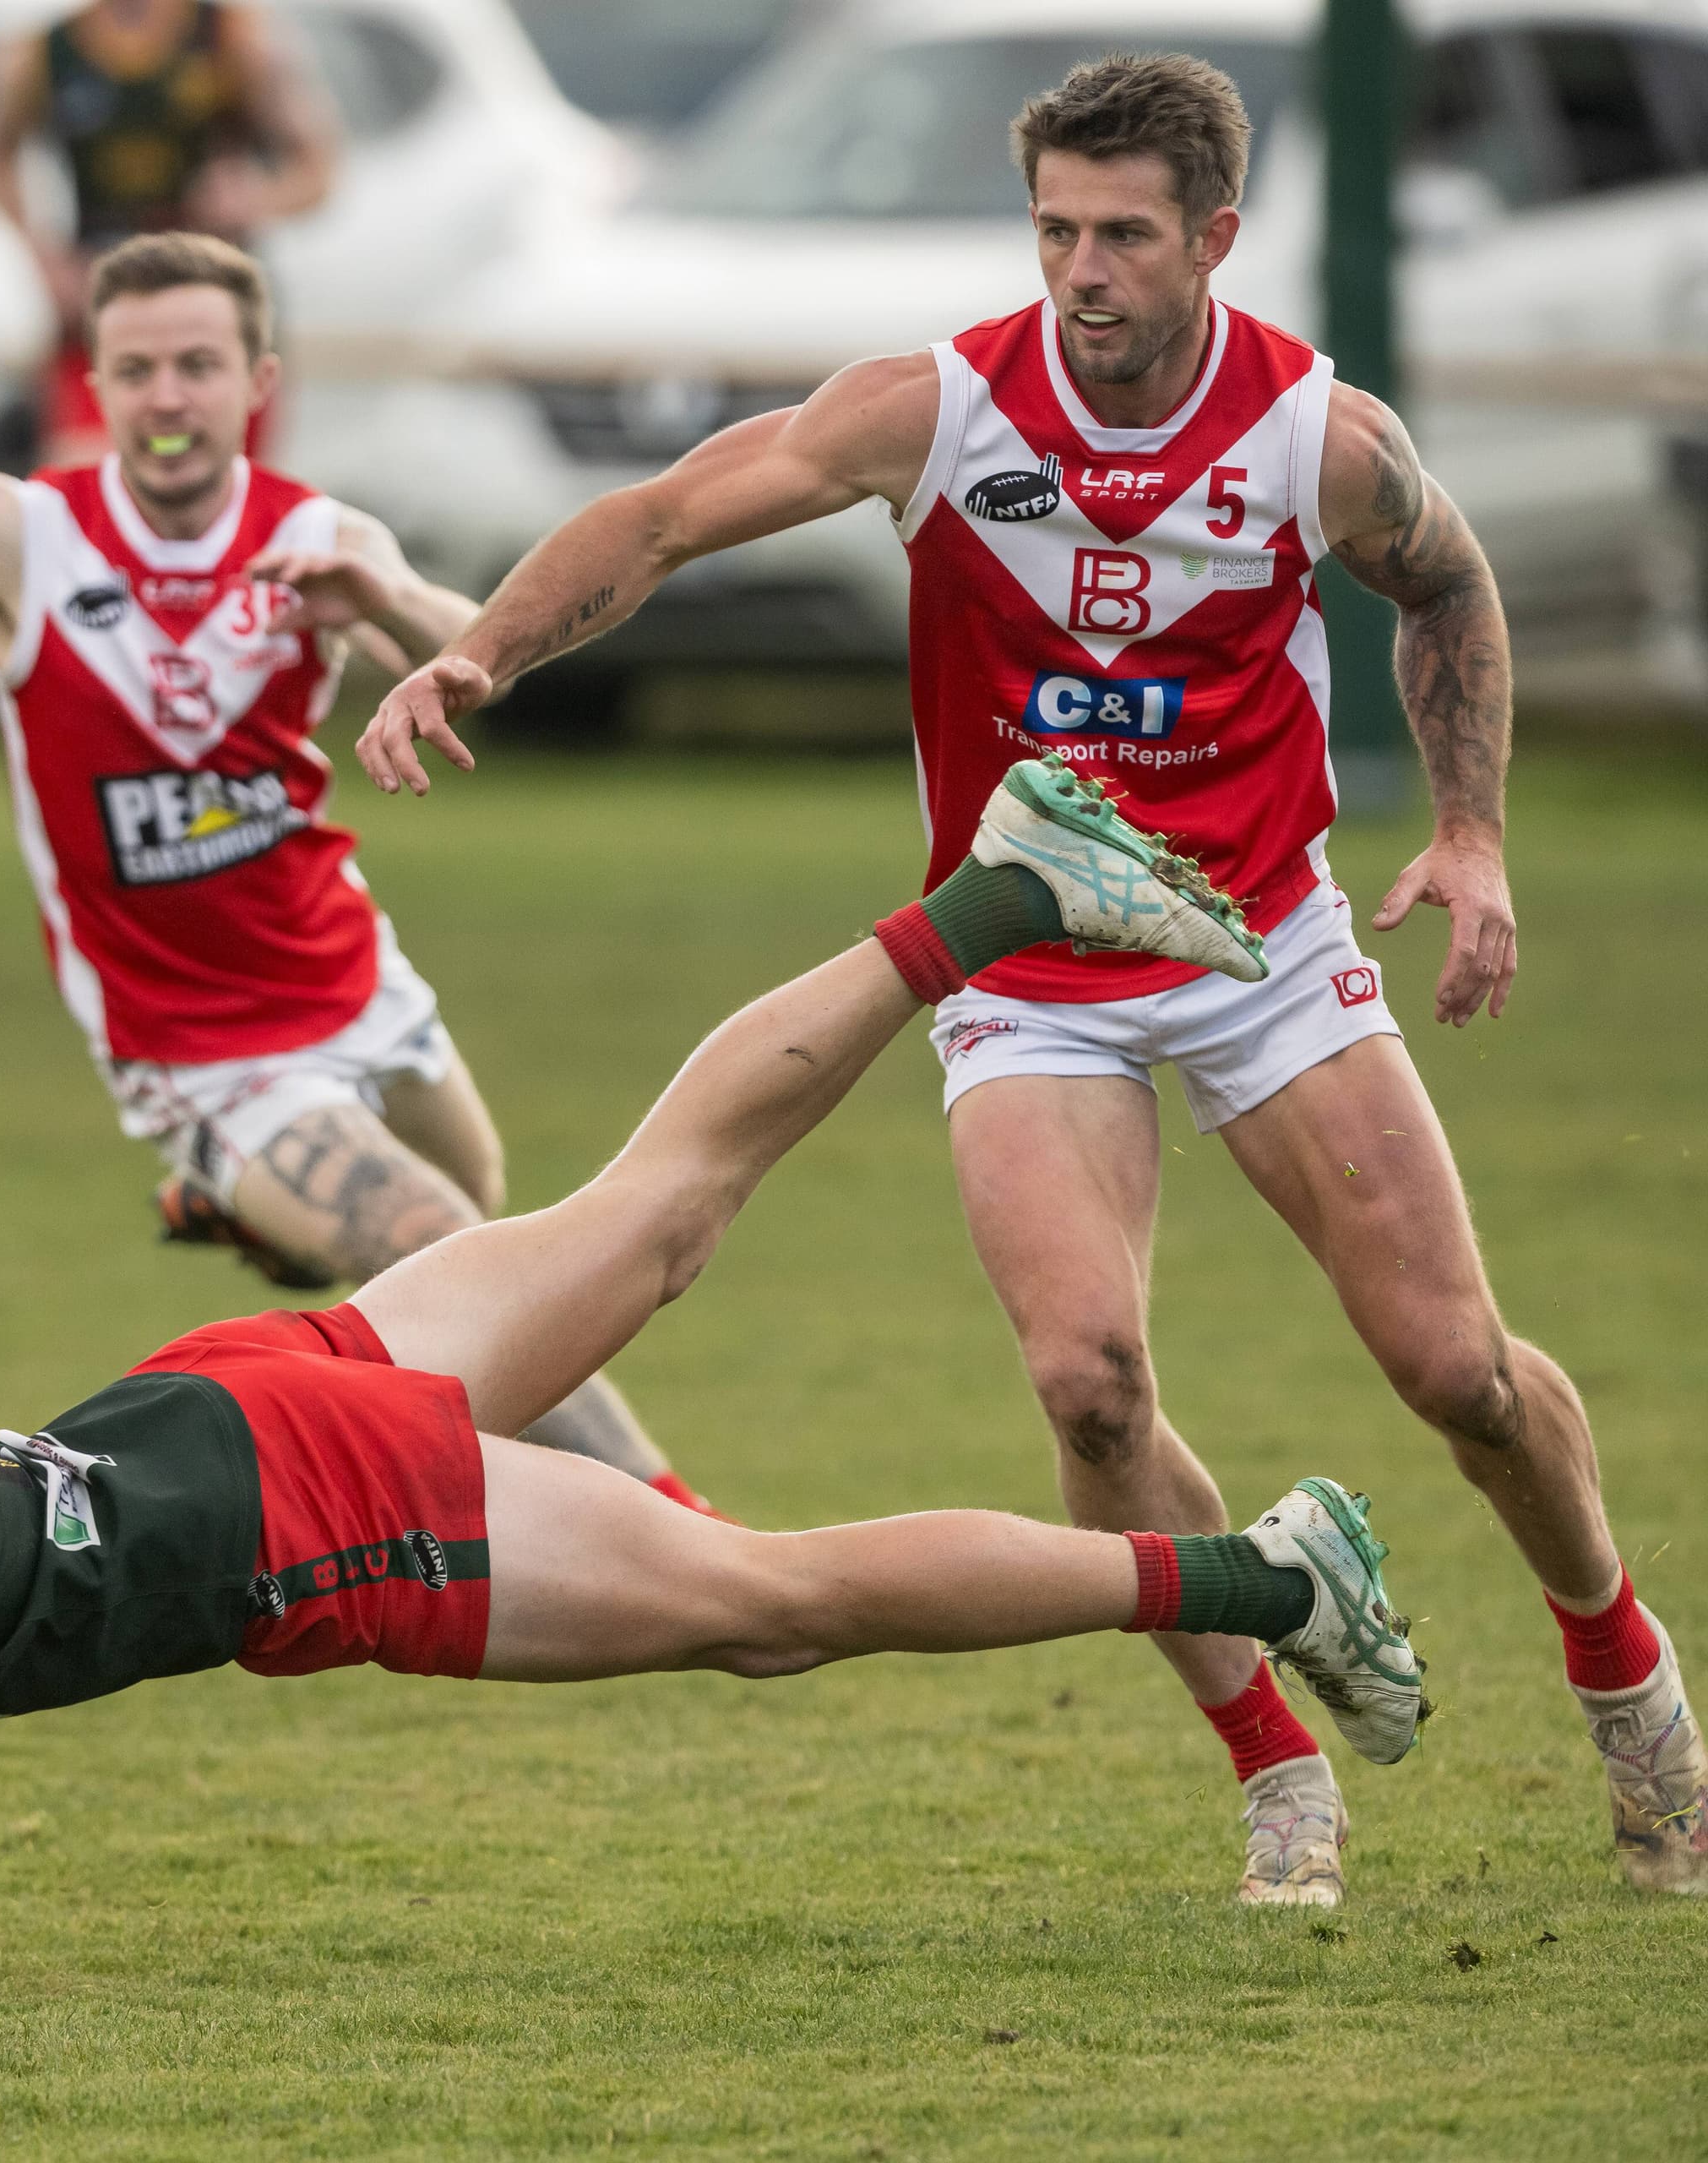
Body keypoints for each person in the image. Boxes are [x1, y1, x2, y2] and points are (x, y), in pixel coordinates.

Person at [0, 757, 1430, 1866]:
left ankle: (1270, 1571)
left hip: (308, 1510)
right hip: (209, 1398)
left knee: (777, 1607)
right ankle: (1012, 880)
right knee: (662, 1206)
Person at [352, 55, 1702, 1906]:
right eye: (1057, 227)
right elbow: (666, 513)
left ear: (1216, 238)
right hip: (1030, 957)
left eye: (1126, 235)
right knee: (1086, 1385)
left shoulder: (1314, 433)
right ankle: (1275, 1761)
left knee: (1458, 1370)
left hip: (1259, 945)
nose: (1083, 270)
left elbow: (1450, 587)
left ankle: (1626, 1674)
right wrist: (482, 655)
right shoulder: (939, 411)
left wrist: (1469, 837)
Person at [0, 232, 707, 1505]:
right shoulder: (19, 537)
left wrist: (380, 590)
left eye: (199, 365)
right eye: (138, 369)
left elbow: (482, 662)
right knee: (452, 1257)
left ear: (256, 380)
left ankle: (292, 1297)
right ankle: (691, 1532)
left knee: (487, 1245)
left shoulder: (320, 535)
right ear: (95, 385)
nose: (168, 397)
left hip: (351, 968)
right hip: (197, 1043)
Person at [0, 0, 336, 468]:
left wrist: (253, 198)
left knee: (217, 482)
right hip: (103, 303)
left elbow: (319, 169)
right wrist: (44, 256)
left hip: (212, 305)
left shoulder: (235, 37)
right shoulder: (40, 51)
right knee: (89, 477)